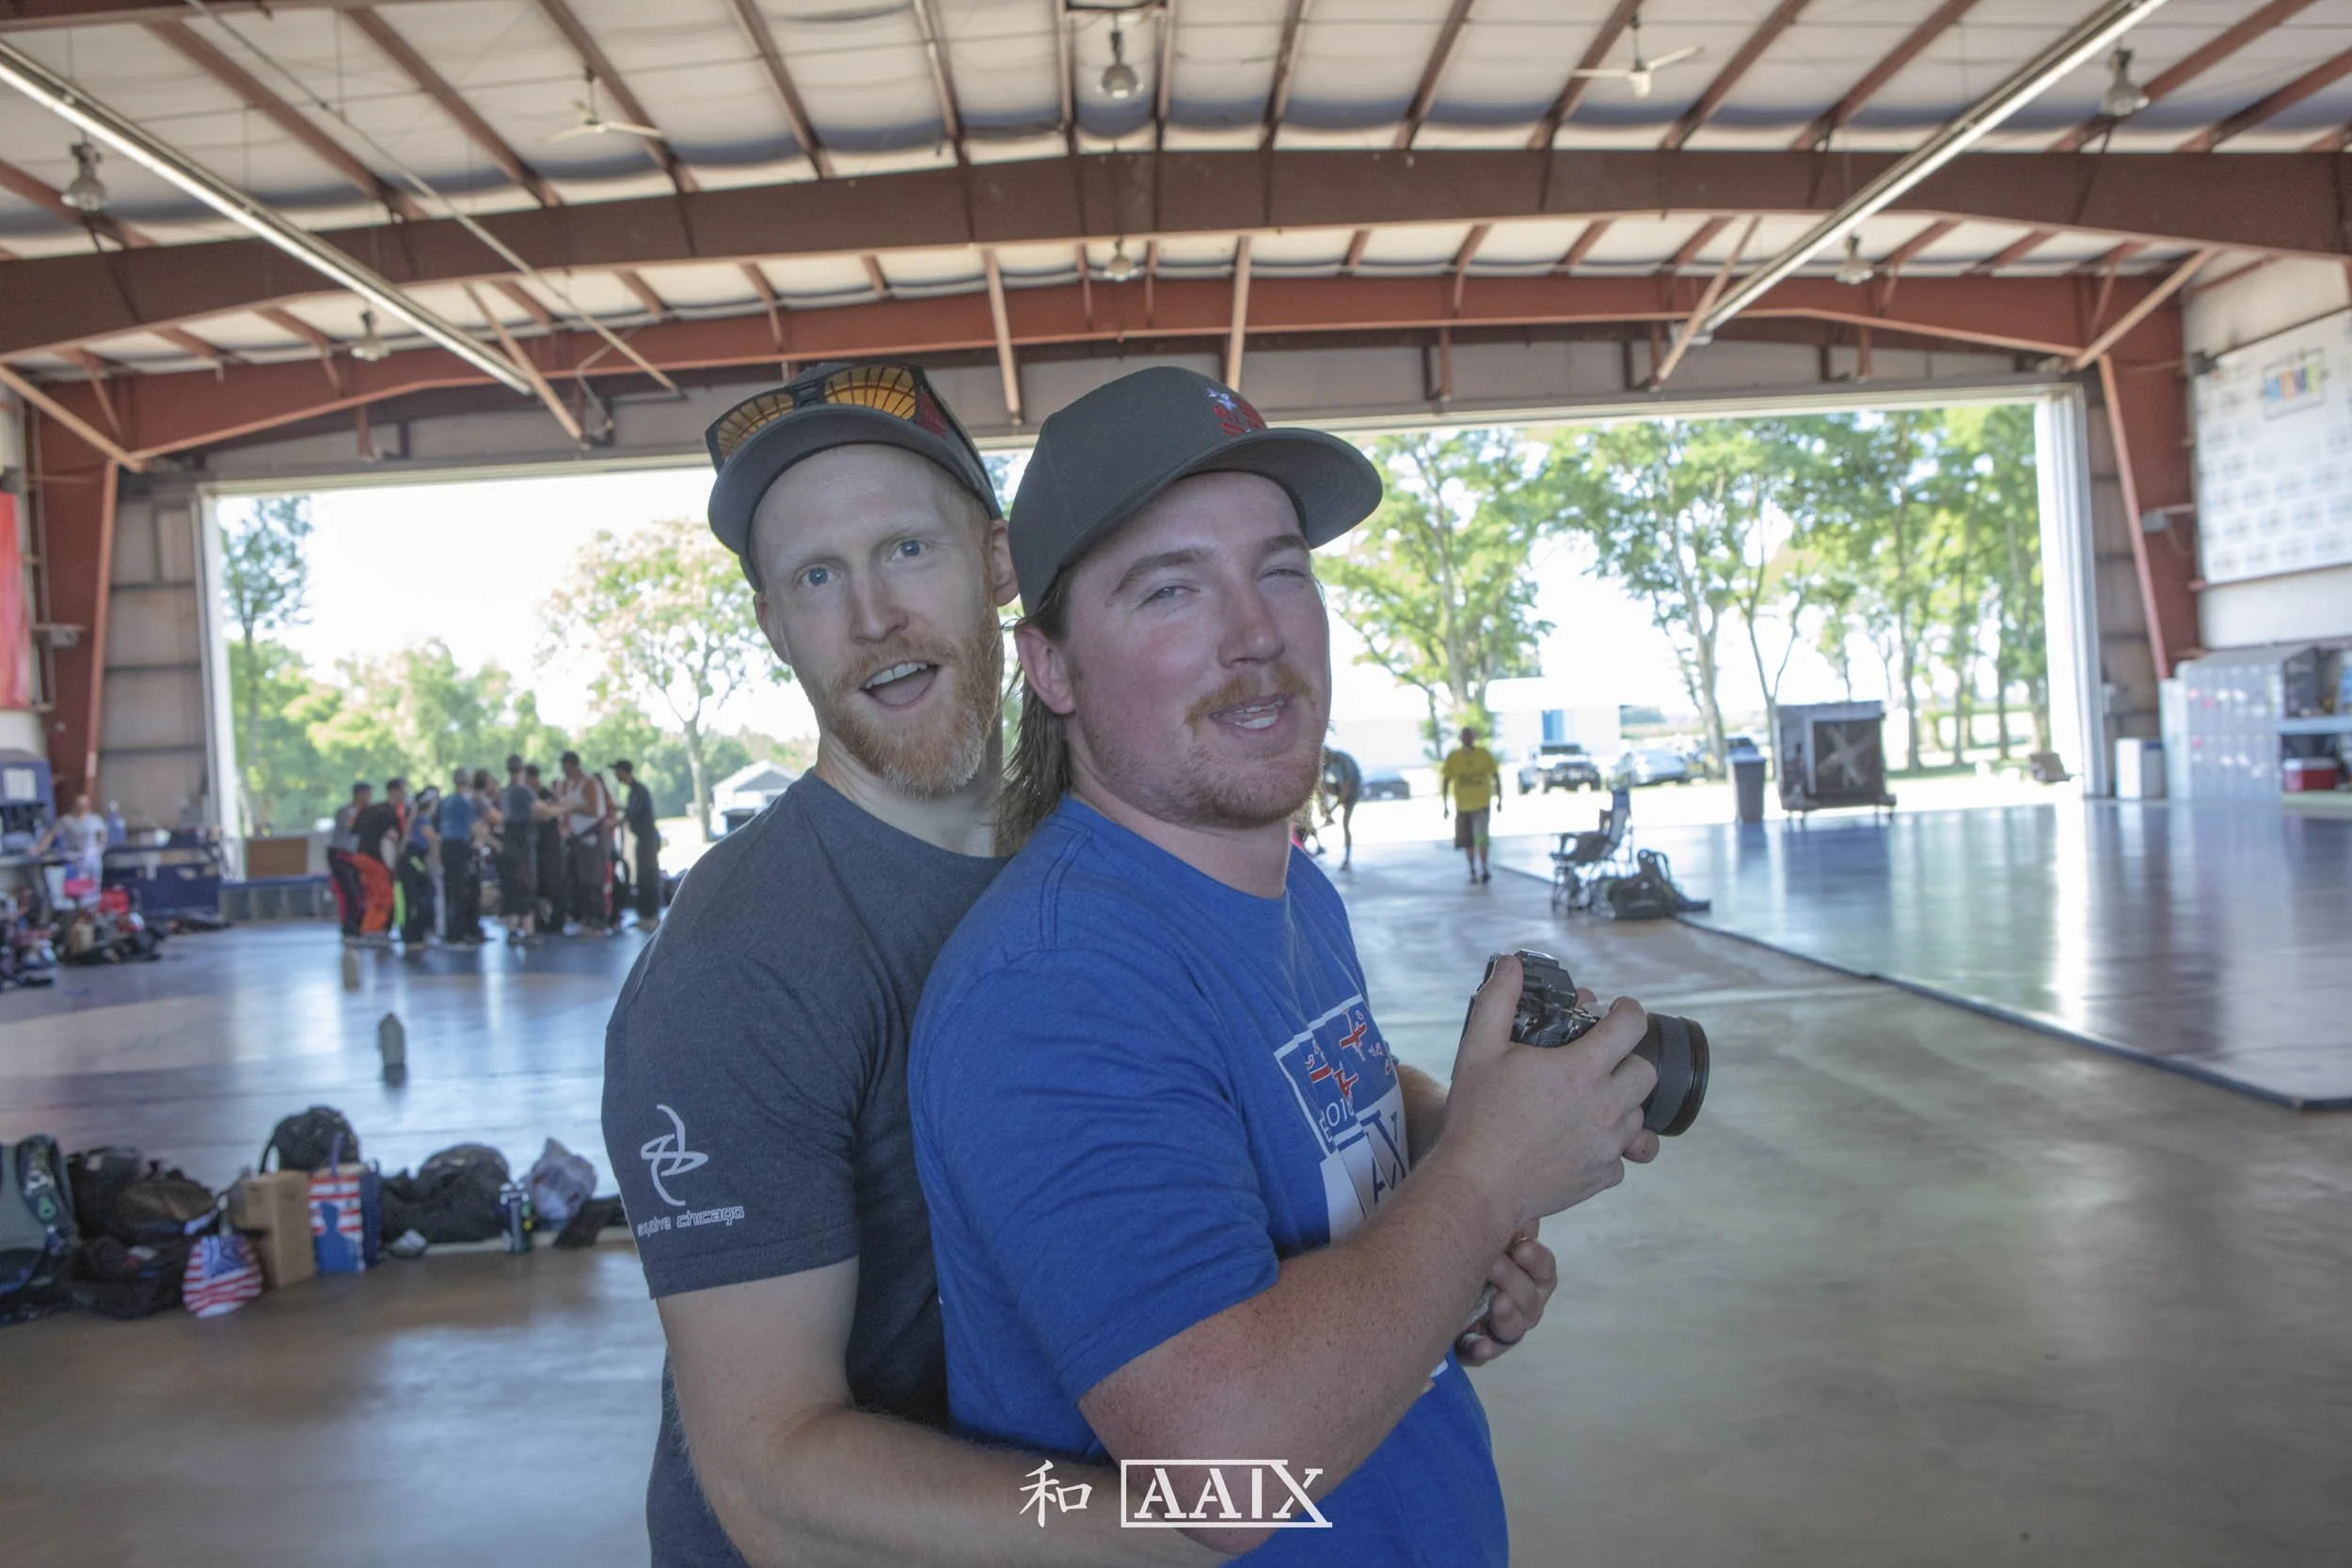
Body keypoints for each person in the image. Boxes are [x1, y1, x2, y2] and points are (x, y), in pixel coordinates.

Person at [910, 366, 1661, 1562]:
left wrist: (1457, 1154)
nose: (1256, 631)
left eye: (1281, 569)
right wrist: (1476, 1184)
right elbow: (1222, 1470)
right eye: (1170, 589)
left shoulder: (1283, 882)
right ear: (1049, 667)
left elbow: (1307, 1116)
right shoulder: (1050, 984)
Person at [601, 361, 1200, 1568]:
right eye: (817, 577)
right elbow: (774, 1475)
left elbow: (1219, 1044)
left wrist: (1446, 1168)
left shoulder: (1103, 834)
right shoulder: (738, 968)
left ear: (995, 563)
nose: (872, 614)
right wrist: (1186, 1517)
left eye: (906, 551)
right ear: (773, 625)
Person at [556, 752, 612, 933]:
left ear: (571, 765)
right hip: (577, 838)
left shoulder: (589, 784)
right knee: (581, 880)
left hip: (593, 838)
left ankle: (598, 920)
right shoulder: (566, 785)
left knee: (594, 879)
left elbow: (595, 810)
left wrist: (573, 808)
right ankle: (586, 918)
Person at [1440, 724, 1503, 884]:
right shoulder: (1454, 757)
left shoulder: (1484, 755)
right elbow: (1446, 780)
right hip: (1462, 806)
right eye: (1465, 736)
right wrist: (1445, 804)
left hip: (1481, 804)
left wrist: (1499, 798)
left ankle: (1484, 868)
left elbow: (1495, 775)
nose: (1467, 739)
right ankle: (1472, 870)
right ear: (1461, 739)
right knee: (1467, 841)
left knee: (1481, 839)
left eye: (1470, 736)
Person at [349, 777, 407, 944]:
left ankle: (371, 929)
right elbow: (399, 837)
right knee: (384, 896)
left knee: (373, 895)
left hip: (360, 856)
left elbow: (353, 830)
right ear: (395, 791)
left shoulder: (369, 809)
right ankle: (373, 930)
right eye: (403, 791)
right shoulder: (392, 814)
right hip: (375, 859)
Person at [612, 759, 660, 932]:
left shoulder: (639, 791)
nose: (616, 776)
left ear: (624, 772)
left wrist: (613, 822)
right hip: (644, 839)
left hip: (647, 839)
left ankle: (651, 915)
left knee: (648, 876)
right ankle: (646, 915)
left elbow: (631, 815)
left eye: (617, 772)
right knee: (643, 875)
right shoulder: (635, 792)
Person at [437, 767, 484, 943]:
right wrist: (479, 843)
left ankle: (455, 930)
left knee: (451, 890)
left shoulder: (446, 801)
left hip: (447, 848)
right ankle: (459, 932)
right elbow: (473, 826)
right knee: (462, 891)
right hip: (460, 847)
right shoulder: (464, 803)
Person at [498, 755, 540, 946]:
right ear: (522, 770)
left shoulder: (504, 792)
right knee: (526, 884)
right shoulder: (525, 791)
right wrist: (564, 807)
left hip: (509, 840)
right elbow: (541, 811)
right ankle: (529, 931)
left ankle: (513, 930)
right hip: (523, 841)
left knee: (513, 885)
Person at [35, 791, 109, 897]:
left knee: (92, 891)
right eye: (79, 804)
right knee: (72, 890)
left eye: (84, 805)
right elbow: (51, 835)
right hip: (71, 860)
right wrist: (39, 849)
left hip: (90, 859)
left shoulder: (94, 820)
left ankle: (90, 908)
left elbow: (103, 836)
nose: (81, 807)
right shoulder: (66, 821)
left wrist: (98, 849)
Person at [395, 786, 439, 948]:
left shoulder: (416, 821)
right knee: (417, 898)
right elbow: (433, 841)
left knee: (419, 897)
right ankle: (413, 934)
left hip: (415, 861)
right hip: (414, 862)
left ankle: (417, 932)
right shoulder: (421, 821)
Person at [326, 781, 371, 940]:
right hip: (341, 854)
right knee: (348, 892)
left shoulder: (364, 812)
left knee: (359, 891)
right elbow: (351, 828)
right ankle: (349, 925)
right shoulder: (347, 812)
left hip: (354, 855)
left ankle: (359, 924)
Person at [527, 764, 567, 932]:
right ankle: (539, 921)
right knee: (538, 887)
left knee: (554, 885)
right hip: (536, 846)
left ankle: (557, 921)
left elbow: (549, 814)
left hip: (550, 846)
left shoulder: (545, 795)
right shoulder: (528, 796)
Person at [1321, 743, 1362, 869]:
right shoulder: (1327, 764)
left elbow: (1346, 787)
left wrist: (1333, 809)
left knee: (1345, 824)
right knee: (1320, 785)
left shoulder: (1344, 761)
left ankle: (1347, 859)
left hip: (1353, 791)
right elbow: (1321, 782)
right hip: (1340, 788)